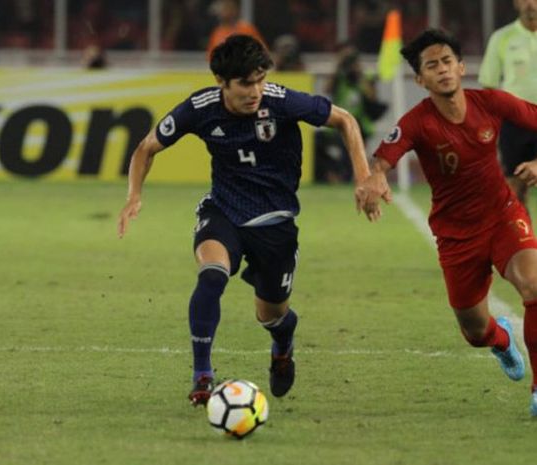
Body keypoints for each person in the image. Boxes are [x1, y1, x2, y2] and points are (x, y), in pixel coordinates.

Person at [117, 34, 386, 406]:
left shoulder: (282, 101)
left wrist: (362, 178)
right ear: (221, 82)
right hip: (223, 210)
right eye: (246, 83)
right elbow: (147, 148)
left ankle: (282, 344)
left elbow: (344, 119)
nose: (256, 90)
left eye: (260, 79)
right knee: (212, 275)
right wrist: (134, 195)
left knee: (272, 315)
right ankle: (202, 375)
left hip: (275, 223)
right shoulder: (200, 107)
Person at [366, 28, 537, 415]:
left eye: (447, 62)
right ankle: (502, 341)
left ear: (461, 67)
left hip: (503, 216)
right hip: (456, 235)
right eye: (432, 65)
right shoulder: (417, 122)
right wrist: (376, 177)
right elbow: (384, 158)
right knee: (475, 331)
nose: (442, 70)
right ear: (420, 79)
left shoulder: (490, 102)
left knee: (533, 284)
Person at [478, 0, 537, 214]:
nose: (530, 3)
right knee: (515, 188)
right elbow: (489, 85)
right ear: (516, 3)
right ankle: (525, 243)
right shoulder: (501, 38)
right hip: (515, 123)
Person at [316, 42, 387, 183]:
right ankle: (332, 173)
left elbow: (372, 96)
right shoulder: (340, 78)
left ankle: (349, 176)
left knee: (349, 148)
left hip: (360, 125)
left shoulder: (365, 78)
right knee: (316, 142)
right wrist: (338, 66)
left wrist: (360, 77)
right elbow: (326, 88)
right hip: (337, 124)